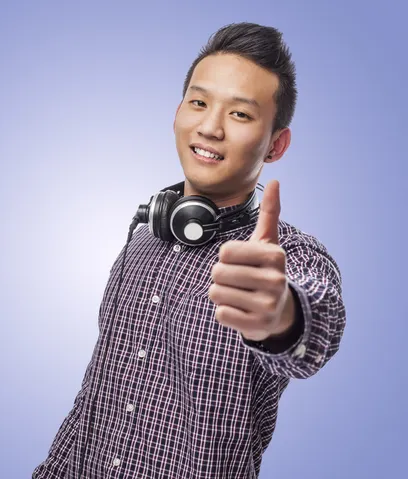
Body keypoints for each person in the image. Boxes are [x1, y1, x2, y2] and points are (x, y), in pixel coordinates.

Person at [32, 22, 346, 478]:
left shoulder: (285, 258)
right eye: (199, 103)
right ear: (178, 111)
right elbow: (93, 401)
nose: (210, 127)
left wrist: (281, 315)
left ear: (275, 144)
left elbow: (318, 327)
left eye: (240, 114)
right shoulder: (142, 239)